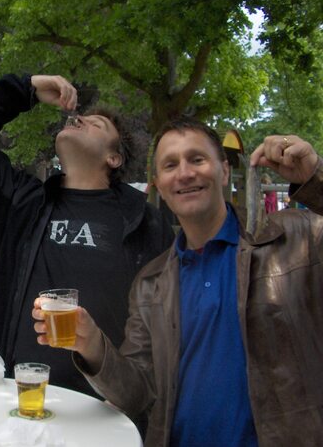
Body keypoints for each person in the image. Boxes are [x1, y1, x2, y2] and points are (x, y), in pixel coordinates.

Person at [33, 117, 323, 446]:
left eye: (197, 159)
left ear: (224, 170)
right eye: (170, 165)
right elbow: (138, 393)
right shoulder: (151, 283)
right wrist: (92, 345)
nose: (184, 173)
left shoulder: (296, 240)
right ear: (159, 184)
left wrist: (315, 178)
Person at [0, 74, 174, 400]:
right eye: (80, 116)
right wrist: (26, 90)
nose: (78, 118)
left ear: (114, 157)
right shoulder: (20, 202)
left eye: (96, 124)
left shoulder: (144, 220)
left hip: (103, 410)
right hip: (18, 403)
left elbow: (162, 324)